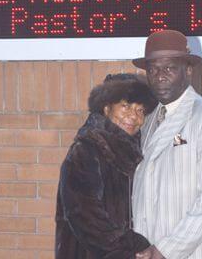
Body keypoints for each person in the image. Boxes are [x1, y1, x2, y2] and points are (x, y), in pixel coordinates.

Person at [132, 30, 202, 259]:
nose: (159, 76)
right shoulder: (147, 120)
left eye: (169, 68)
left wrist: (166, 250)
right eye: (153, 69)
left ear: (188, 71)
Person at [55, 73, 158, 259]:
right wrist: (133, 248)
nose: (133, 116)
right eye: (125, 106)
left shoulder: (130, 152)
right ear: (106, 107)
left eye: (140, 110)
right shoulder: (87, 150)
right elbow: (85, 217)